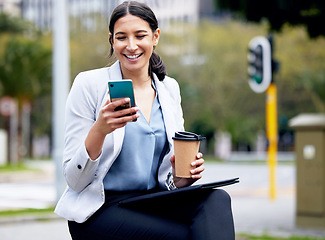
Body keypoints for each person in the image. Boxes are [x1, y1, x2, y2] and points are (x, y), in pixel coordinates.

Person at [54, 1, 235, 239]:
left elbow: (169, 179)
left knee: (217, 198)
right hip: (101, 208)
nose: (131, 46)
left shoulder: (169, 89)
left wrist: (182, 178)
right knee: (184, 234)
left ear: (155, 36)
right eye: (121, 37)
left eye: (140, 36)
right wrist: (99, 130)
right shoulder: (89, 85)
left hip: (150, 202)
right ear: (111, 41)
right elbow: (74, 181)